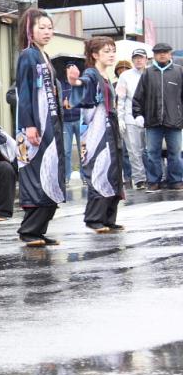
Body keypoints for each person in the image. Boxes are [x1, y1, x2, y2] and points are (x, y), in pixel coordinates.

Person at [14, 8, 65, 247]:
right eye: (41, 27)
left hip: (50, 125)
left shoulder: (44, 56)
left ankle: (39, 229)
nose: (47, 32)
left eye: (49, 27)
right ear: (29, 30)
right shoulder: (28, 55)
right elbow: (23, 92)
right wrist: (29, 125)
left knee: (51, 174)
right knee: (37, 177)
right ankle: (30, 230)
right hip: (36, 128)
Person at [68, 37, 125, 232]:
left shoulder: (107, 76)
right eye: (106, 51)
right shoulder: (92, 74)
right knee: (99, 170)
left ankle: (109, 217)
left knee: (113, 171)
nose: (111, 55)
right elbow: (82, 85)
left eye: (113, 51)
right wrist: (74, 82)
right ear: (94, 55)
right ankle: (94, 218)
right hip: (96, 130)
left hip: (110, 128)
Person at [132, 42, 183, 192]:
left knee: (175, 153)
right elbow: (138, 97)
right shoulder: (147, 73)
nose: (162, 54)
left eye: (165, 52)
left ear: (170, 54)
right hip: (152, 121)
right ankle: (153, 181)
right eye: (159, 52)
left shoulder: (179, 72)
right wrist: (138, 114)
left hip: (174, 120)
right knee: (152, 153)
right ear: (153, 55)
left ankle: (176, 180)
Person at [116, 49, 148, 190]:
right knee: (134, 150)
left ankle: (154, 176)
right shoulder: (125, 76)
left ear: (146, 59)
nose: (138, 60)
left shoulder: (151, 73)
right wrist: (120, 118)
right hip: (130, 117)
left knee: (150, 150)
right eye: (135, 58)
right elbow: (121, 99)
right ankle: (140, 178)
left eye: (141, 58)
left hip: (150, 118)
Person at [61, 63, 83, 183]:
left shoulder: (80, 84)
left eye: (73, 69)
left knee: (82, 150)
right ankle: (66, 177)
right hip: (66, 121)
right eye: (68, 69)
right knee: (66, 151)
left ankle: (85, 176)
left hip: (79, 120)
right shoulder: (60, 84)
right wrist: (62, 101)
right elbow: (55, 99)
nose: (71, 71)